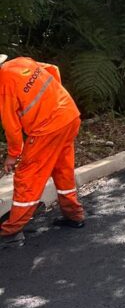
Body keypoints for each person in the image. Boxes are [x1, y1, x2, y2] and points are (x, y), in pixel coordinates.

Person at [0, 55, 85, 247]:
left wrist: (13, 155)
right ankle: (74, 215)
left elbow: (12, 127)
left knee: (27, 176)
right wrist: (54, 103)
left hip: (48, 129)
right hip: (69, 114)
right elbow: (53, 69)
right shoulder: (22, 62)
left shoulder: (4, 86)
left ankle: (12, 232)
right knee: (62, 169)